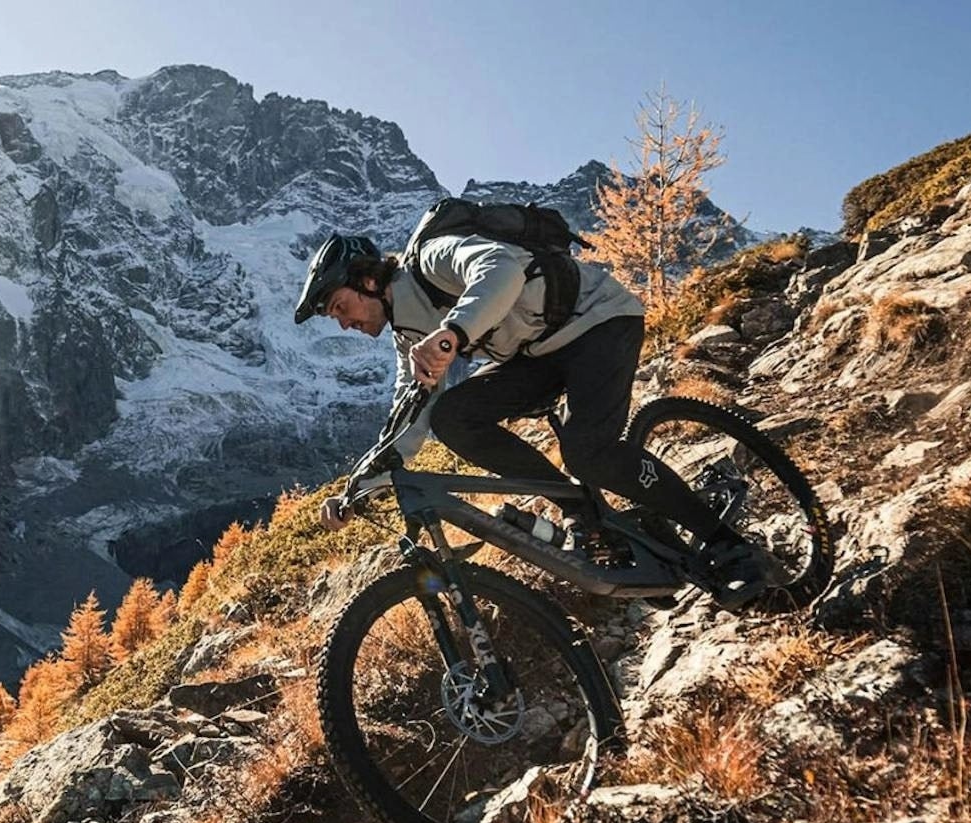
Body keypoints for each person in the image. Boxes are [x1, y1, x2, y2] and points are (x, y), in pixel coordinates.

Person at [294, 231, 775, 608]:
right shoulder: (406, 330)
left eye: (341, 306)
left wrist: (452, 334)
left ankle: (728, 544)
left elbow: (501, 269)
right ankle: (586, 516)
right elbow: (411, 409)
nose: (343, 322)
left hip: (598, 322)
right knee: (452, 417)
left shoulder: (431, 258)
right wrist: (358, 485)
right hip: (537, 355)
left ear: (369, 280)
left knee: (589, 452)